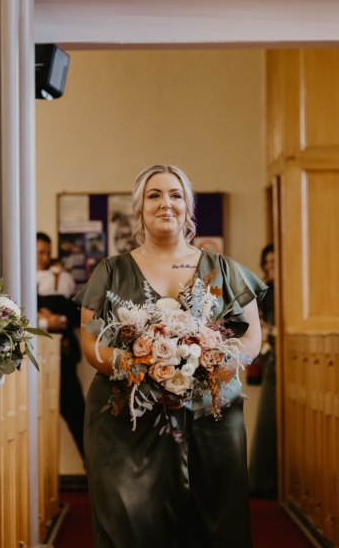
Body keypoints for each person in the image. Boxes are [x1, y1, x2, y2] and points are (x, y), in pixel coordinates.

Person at [74, 164, 267, 547]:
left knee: (215, 519)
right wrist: (143, 367)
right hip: (126, 415)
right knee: (129, 520)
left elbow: (251, 341)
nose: (167, 203)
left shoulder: (225, 270)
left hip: (208, 414)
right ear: (139, 209)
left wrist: (207, 368)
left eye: (176, 195)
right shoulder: (110, 271)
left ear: (188, 207)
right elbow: (91, 343)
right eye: (155, 195)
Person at [36, 231, 85, 459]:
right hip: (34, 360)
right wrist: (44, 320)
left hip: (64, 357)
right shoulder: (22, 276)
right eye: (40, 252)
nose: (45, 258)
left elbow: (74, 317)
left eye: (47, 253)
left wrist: (58, 318)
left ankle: (93, 470)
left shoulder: (61, 280)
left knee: (77, 413)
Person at [248, 243, 277, 500]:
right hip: (272, 361)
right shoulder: (266, 293)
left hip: (282, 357)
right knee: (267, 421)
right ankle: (261, 480)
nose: (270, 267)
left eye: (274, 262)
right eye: (267, 263)